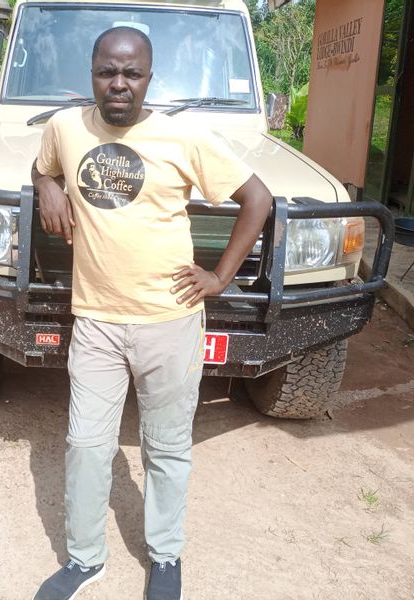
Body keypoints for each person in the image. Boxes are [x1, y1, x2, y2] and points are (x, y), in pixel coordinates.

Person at [31, 26, 272, 600]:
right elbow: (44, 166)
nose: (118, 84)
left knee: (166, 448)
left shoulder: (182, 138)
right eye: (106, 72)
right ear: (91, 74)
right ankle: (85, 560)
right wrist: (46, 185)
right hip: (95, 322)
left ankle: (165, 557)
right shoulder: (63, 127)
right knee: (87, 445)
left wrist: (220, 277)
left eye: (131, 74)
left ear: (148, 78)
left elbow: (257, 198)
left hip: (170, 320)